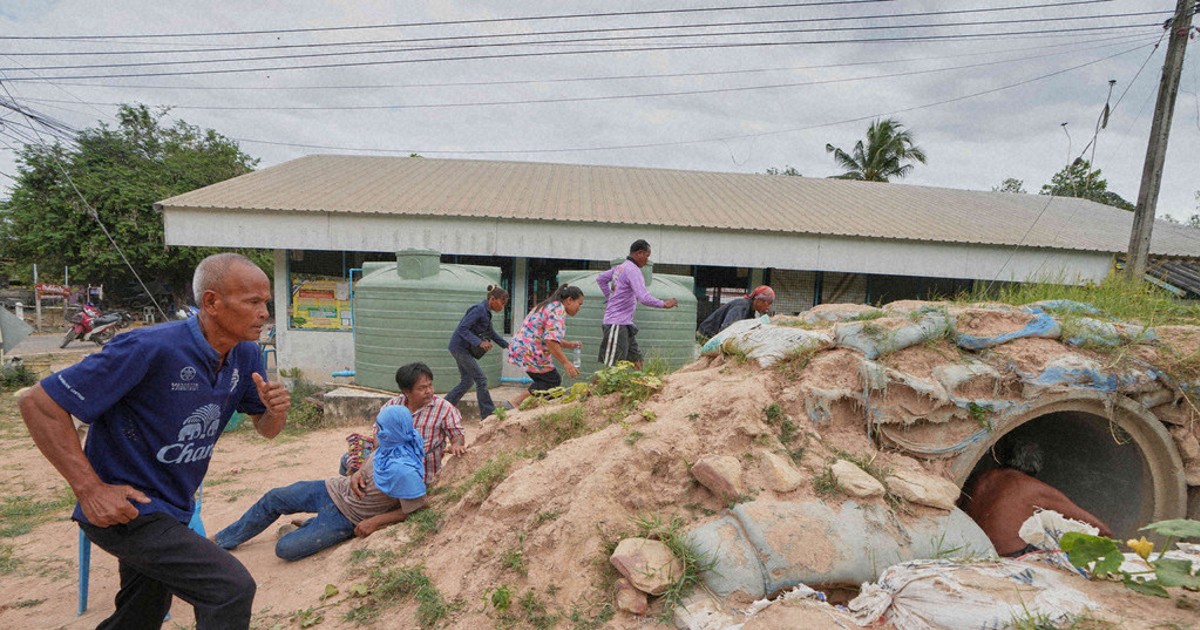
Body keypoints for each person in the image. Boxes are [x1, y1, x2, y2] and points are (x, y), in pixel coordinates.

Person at [19, 253, 291, 629]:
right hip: (127, 510)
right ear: (212, 302)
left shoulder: (245, 353)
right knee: (228, 588)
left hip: (173, 508)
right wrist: (90, 489)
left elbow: (267, 428)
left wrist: (275, 411)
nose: (264, 313)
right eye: (253, 302)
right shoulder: (148, 347)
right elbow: (37, 403)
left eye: (266, 303)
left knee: (140, 615)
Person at [215, 406, 426, 561]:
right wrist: (358, 473)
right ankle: (223, 540)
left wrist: (375, 521)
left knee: (285, 549)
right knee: (274, 497)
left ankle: (312, 526)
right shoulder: (391, 443)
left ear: (391, 430)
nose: (375, 431)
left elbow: (417, 507)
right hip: (333, 489)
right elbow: (370, 460)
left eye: (379, 427)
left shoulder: (404, 470)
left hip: (347, 517)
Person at [964, 440, 1113, 557]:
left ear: (1001, 457)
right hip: (1008, 555)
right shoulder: (1033, 487)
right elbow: (1101, 529)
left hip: (970, 549)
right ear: (1037, 466)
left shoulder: (980, 478)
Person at [342, 363, 467, 486]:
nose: (429, 391)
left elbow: (457, 435)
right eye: (422, 388)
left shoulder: (444, 408)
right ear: (406, 391)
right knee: (347, 460)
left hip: (421, 476)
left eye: (430, 385)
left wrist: (457, 445)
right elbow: (378, 433)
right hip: (390, 469)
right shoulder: (392, 405)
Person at [596, 239, 678, 369]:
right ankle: (596, 385)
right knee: (613, 369)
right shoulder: (633, 270)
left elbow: (601, 279)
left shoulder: (620, 268)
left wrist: (610, 297)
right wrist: (664, 304)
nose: (647, 260)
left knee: (637, 361)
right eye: (647, 256)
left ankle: (641, 382)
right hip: (616, 325)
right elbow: (644, 298)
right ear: (639, 253)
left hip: (625, 324)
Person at [506, 284, 585, 408]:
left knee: (549, 383)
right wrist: (566, 363)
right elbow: (550, 341)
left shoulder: (550, 305)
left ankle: (531, 406)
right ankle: (516, 402)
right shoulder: (558, 311)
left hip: (522, 347)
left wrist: (569, 345)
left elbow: (549, 336)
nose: (579, 308)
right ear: (569, 300)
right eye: (579, 304)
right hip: (529, 350)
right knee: (551, 381)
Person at [445, 285, 510, 419]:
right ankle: (488, 415)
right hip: (459, 348)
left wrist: (509, 346)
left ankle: (444, 407)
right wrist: (479, 342)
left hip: (461, 348)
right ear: (492, 299)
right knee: (481, 379)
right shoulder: (479, 310)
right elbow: (462, 328)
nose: (503, 307)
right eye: (502, 303)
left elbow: (491, 333)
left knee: (467, 381)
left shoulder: (486, 313)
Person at [698, 285, 775, 337]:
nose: (768, 307)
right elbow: (727, 329)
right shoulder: (742, 306)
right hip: (705, 336)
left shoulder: (750, 311)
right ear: (758, 300)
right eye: (768, 303)